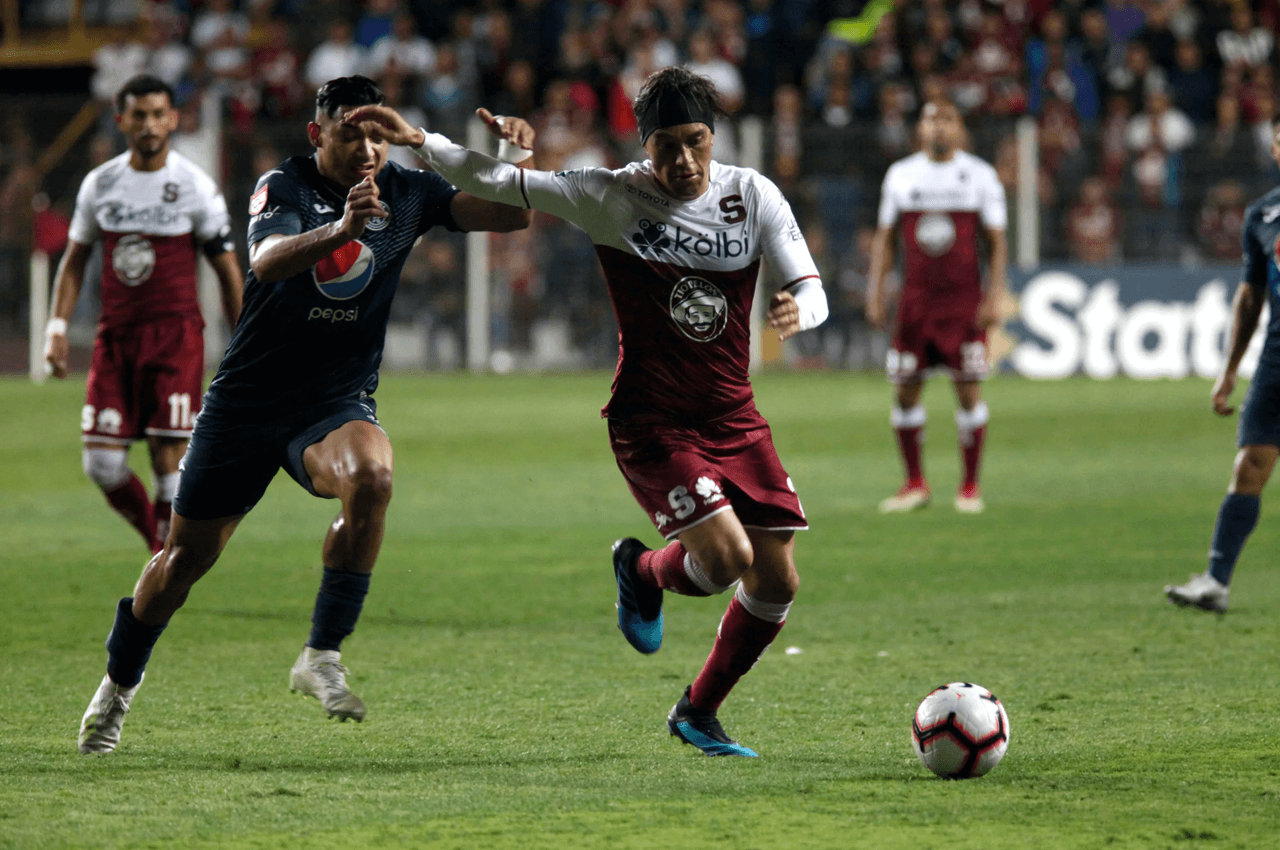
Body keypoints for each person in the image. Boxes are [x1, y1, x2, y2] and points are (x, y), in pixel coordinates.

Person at [350, 66, 829, 757]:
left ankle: (697, 710)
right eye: (668, 145)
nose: (684, 161)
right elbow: (497, 184)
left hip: (734, 415)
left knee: (778, 578)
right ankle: (642, 573)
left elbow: (810, 286)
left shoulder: (752, 195)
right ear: (645, 145)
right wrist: (419, 140)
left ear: (714, 137)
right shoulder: (610, 194)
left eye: (696, 141)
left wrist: (797, 311)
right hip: (652, 419)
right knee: (726, 559)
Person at [77, 75, 533, 754]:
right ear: (319, 134)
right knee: (182, 563)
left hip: (332, 403)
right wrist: (341, 229)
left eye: (379, 130)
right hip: (246, 404)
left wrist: (516, 163)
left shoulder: (408, 190)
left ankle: (321, 653)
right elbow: (264, 262)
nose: (369, 146)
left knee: (373, 475)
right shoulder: (283, 186)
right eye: (353, 131)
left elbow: (511, 215)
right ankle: (117, 688)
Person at [45, 74, 244, 556]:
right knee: (102, 465)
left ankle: (164, 564)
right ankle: (161, 549)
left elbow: (227, 271)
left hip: (175, 338)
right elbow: (74, 262)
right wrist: (56, 329)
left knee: (167, 462)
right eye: (139, 115)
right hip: (114, 340)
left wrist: (242, 343)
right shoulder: (101, 184)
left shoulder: (195, 186)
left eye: (159, 114)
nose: (150, 125)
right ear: (121, 121)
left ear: (173, 120)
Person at [866, 98, 1008, 515]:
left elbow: (996, 243)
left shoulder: (980, 175)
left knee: (967, 390)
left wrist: (994, 294)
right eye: (932, 120)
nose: (940, 128)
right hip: (915, 302)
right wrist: (876, 291)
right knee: (906, 391)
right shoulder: (901, 175)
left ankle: (969, 487)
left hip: (963, 302)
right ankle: (914, 484)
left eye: (948, 120)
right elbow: (885, 239)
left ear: (960, 129)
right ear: (920, 130)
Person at [1165, 114, 1280, 614]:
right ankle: (1216, 580)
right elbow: (1251, 296)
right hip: (1276, 359)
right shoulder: (1263, 216)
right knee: (1251, 462)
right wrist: (1230, 368)